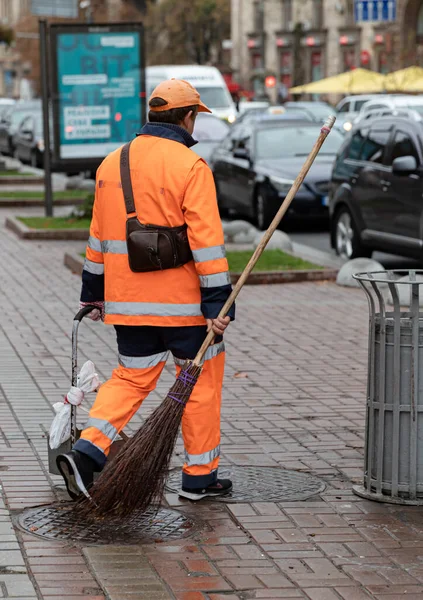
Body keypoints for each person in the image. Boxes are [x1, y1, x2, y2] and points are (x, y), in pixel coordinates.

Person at [57, 79, 235, 502]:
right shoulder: (191, 167)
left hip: (128, 306)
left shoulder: (110, 165)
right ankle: (198, 477)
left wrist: (93, 294)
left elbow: (98, 239)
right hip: (186, 310)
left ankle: (86, 453)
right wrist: (218, 303)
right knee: (198, 383)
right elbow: (207, 243)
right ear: (187, 116)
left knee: (131, 379)